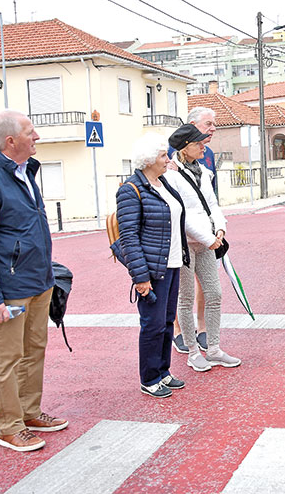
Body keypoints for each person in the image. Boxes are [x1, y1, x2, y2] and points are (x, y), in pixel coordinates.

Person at [0, 110, 68, 452]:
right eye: (30, 132)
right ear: (11, 141)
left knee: (34, 351)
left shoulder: (24, 171)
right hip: (9, 289)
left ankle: (29, 412)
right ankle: (9, 427)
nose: (37, 137)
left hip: (38, 282)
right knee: (8, 358)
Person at [114, 133, 190, 397]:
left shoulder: (163, 184)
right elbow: (129, 237)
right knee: (152, 324)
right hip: (151, 269)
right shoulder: (131, 190)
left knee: (167, 321)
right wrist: (140, 277)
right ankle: (149, 378)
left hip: (171, 263)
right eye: (162, 156)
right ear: (147, 161)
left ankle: (163, 372)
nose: (168, 160)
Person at [165, 123, 240, 372]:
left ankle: (215, 348)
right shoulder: (171, 175)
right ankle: (193, 352)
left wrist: (220, 229)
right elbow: (180, 215)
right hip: (186, 244)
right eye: (198, 143)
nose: (203, 146)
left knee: (214, 293)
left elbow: (212, 203)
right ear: (185, 147)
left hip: (208, 241)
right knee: (185, 299)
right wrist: (209, 238)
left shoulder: (204, 170)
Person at [171, 107, 218, 354]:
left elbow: (210, 193)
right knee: (182, 287)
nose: (213, 129)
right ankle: (178, 331)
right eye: (208, 124)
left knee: (207, 283)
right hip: (182, 235)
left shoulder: (207, 153)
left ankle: (202, 327)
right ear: (192, 125)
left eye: (214, 124)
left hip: (206, 230)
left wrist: (216, 226)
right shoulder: (172, 153)